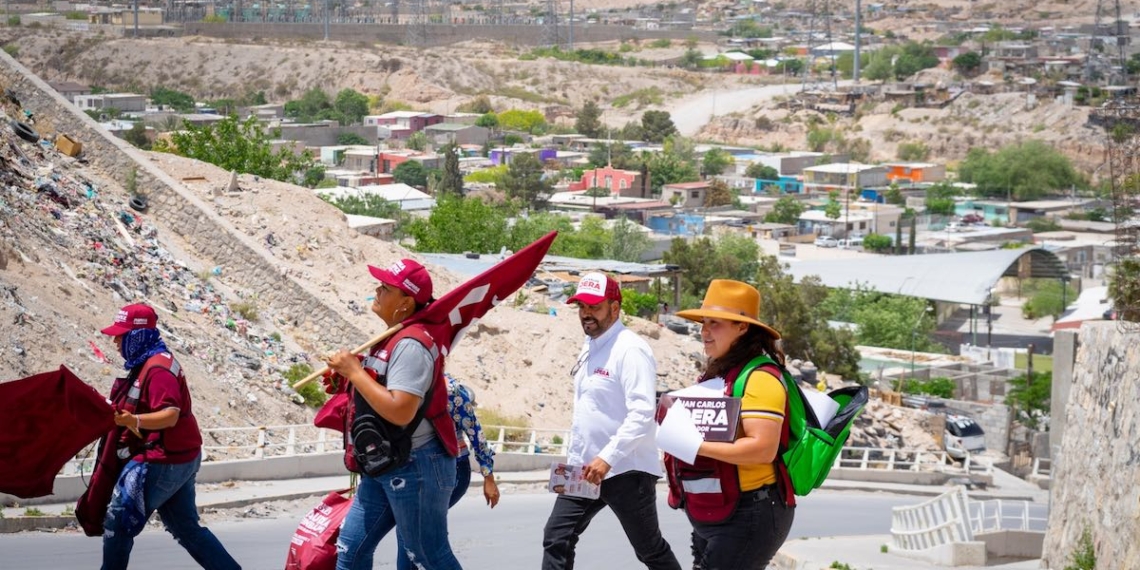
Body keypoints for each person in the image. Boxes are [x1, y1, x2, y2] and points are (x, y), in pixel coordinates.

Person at [326, 258, 463, 570]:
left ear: (405, 302)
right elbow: (381, 390)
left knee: (428, 556)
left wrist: (355, 371)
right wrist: (348, 379)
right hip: (384, 461)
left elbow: (401, 410)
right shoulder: (393, 337)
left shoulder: (413, 344)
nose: (377, 291)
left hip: (416, 465)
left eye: (385, 288)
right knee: (350, 551)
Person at [542, 272, 681, 570]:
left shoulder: (630, 349)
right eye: (581, 307)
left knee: (649, 550)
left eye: (594, 306)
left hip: (625, 469)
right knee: (557, 536)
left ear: (614, 308)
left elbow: (642, 413)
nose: (586, 314)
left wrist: (607, 458)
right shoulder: (590, 345)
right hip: (586, 469)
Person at [99, 303, 241, 570]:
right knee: (186, 528)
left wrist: (134, 420)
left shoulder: (158, 369)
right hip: (181, 456)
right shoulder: (150, 362)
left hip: (164, 460)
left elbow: (170, 414)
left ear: (137, 336)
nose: (115, 341)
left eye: (121, 335)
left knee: (118, 525)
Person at [669, 279, 796, 570]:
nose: (704, 332)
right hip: (716, 511)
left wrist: (695, 445)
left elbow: (762, 450)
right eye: (703, 323)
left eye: (715, 323)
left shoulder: (760, 379)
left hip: (750, 513)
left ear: (742, 328)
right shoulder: (720, 376)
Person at [393, 374, 499, 570]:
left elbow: (475, 433)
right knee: (412, 531)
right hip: (412, 469)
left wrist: (488, 476)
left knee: (414, 531)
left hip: (452, 470)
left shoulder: (450, 389)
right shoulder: (400, 382)